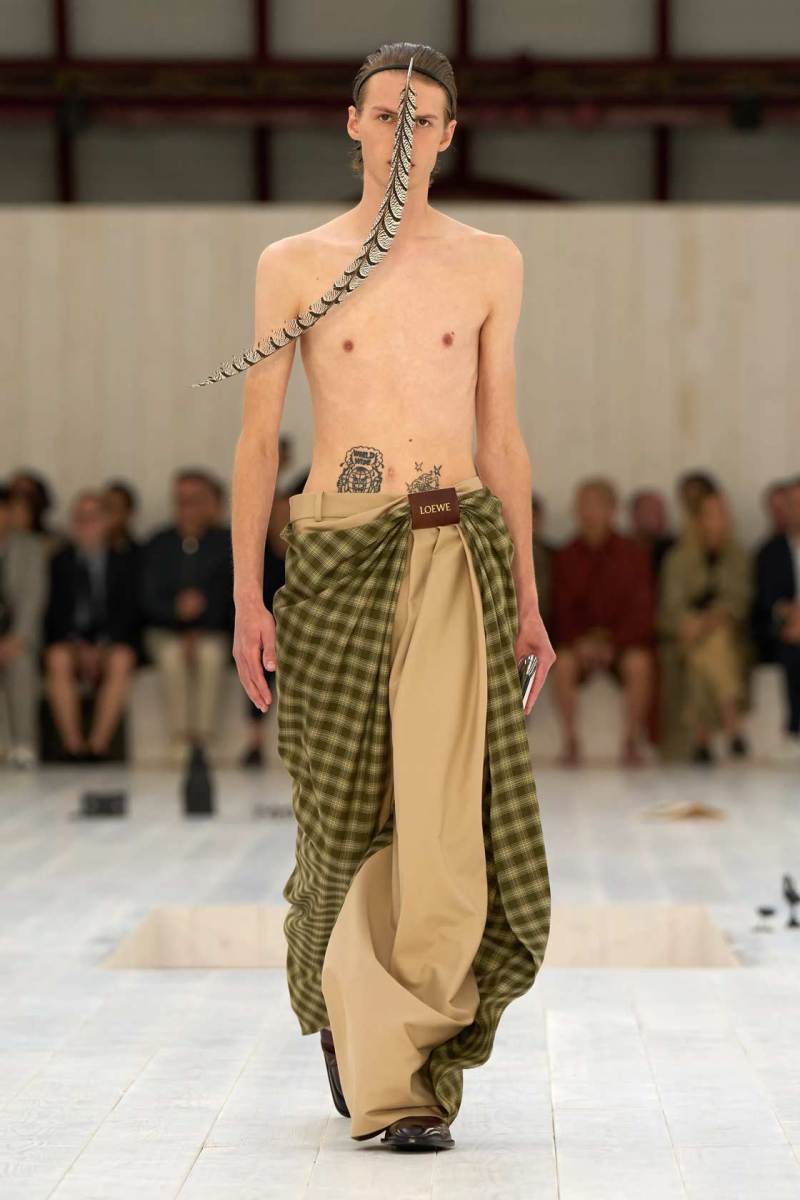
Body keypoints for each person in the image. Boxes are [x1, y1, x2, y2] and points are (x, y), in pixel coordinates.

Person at [224, 42, 553, 1151]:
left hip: (457, 545)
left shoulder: (491, 261)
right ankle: (342, 1008)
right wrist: (246, 597)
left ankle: (406, 1076)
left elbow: (501, 437)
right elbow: (256, 440)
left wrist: (528, 598)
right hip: (334, 549)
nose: (402, 133)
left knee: (446, 822)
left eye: (423, 117)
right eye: (383, 114)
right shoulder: (293, 264)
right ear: (352, 125)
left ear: (449, 135)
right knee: (339, 814)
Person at [551, 477, 657, 767]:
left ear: (612, 510)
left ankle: (631, 741)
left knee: (640, 664)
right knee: (563, 664)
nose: (588, 513)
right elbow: (560, 608)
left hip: (621, 644)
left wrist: (615, 642)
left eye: (595, 505)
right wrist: (580, 642)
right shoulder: (566, 556)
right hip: (580, 644)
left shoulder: (633, 554)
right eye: (582, 506)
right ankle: (571, 740)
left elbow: (641, 608)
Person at [139, 469, 233, 768]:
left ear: (210, 503)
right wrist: (175, 613)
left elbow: (230, 596)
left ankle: (203, 740)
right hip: (165, 630)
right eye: (181, 500)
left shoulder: (226, 543)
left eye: (194, 500)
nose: (187, 508)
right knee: (171, 656)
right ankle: (181, 739)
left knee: (210, 655)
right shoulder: (158, 543)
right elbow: (146, 597)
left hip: (212, 630)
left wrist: (201, 623)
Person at [658, 489, 754, 764]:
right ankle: (732, 721)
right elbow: (671, 606)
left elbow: (739, 600)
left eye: (721, 514)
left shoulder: (737, 555)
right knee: (708, 648)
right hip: (684, 634)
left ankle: (702, 739)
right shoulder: (678, 558)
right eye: (710, 515)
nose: (716, 521)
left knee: (710, 648)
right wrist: (691, 623)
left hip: (725, 632)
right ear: (697, 520)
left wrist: (708, 621)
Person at [43, 490, 139, 761]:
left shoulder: (125, 561)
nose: (86, 525)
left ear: (107, 521)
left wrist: (103, 645)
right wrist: (77, 644)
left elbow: (129, 611)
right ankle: (73, 746)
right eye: (80, 519)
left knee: (122, 659)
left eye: (93, 518)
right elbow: (53, 613)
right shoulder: (59, 562)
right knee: (57, 658)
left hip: (111, 642)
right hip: (70, 641)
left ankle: (97, 746)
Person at [752, 474, 800, 763]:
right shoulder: (770, 552)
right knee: (793, 647)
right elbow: (766, 600)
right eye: (793, 503)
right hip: (784, 631)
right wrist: (787, 614)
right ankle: (795, 732)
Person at [0, 482, 47, 767]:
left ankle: (24, 744)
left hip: (19, 637)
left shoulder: (30, 548)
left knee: (20, 663)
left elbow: (33, 598)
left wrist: (16, 639)